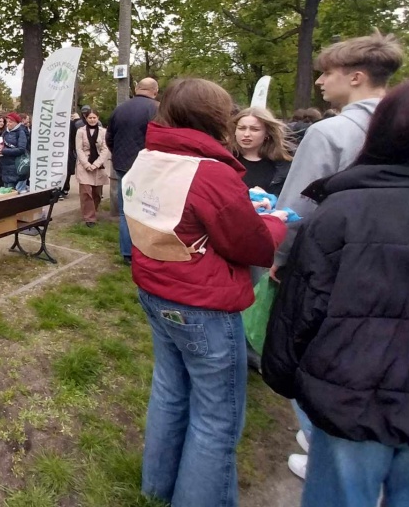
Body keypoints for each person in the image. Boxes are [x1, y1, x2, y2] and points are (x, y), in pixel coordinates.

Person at [262, 79, 409, 507]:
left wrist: (284, 375)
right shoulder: (343, 205)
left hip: (349, 391)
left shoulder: (343, 209)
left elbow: (300, 307)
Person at [123, 78, 289, 507]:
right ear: (218, 119)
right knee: (217, 416)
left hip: (156, 291)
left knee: (170, 390)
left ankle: (156, 488)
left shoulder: (148, 157)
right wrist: (276, 223)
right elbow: (249, 245)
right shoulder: (210, 172)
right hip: (203, 304)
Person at [271, 30, 404, 480]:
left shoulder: (330, 132)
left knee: (319, 353)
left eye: (327, 73)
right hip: (399, 265)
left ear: (357, 76)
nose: (322, 82)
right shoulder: (406, 125)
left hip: (331, 262)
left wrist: (279, 256)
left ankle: (325, 445)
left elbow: (298, 206)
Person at [107, 78, 159, 264]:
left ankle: (127, 253)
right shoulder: (158, 109)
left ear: (137, 89)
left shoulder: (120, 109)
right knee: (150, 210)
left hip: (122, 166)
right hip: (149, 168)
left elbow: (109, 137)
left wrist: (118, 155)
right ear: (155, 91)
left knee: (125, 211)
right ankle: (146, 250)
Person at [231, 107, 292, 197]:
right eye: (242, 128)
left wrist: (268, 197)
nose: (246, 134)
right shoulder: (225, 160)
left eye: (254, 129)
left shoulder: (284, 164)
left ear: (267, 133)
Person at [74, 109, 110, 227]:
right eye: (90, 117)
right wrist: (86, 164)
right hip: (84, 164)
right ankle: (89, 218)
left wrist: (96, 164)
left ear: (98, 118)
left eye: (94, 117)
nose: (92, 120)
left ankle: (94, 210)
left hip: (98, 165)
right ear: (86, 118)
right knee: (86, 192)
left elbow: (105, 149)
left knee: (97, 193)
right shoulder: (80, 131)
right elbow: (78, 149)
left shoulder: (103, 132)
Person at [62, 106, 90, 197]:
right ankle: (64, 188)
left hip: (75, 149)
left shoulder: (75, 123)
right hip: (71, 149)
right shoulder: (75, 123)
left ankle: (65, 188)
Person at [1, 112, 29, 192]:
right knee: (6, 191)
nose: (8, 124)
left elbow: (21, 149)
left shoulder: (21, 132)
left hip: (17, 166)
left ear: (16, 123)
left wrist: (4, 151)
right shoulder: (5, 132)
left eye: (10, 122)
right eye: (7, 122)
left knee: (15, 192)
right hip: (6, 166)